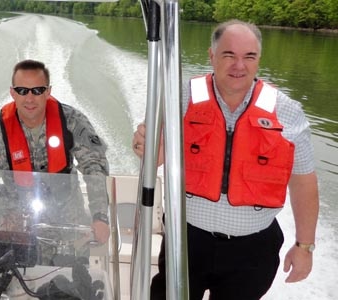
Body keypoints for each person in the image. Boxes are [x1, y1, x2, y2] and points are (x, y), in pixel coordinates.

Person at [132, 20, 319, 300]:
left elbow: (304, 183)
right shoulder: (176, 98)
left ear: (258, 60)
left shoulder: (288, 112)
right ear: (211, 55)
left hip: (252, 251)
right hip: (186, 241)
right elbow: (153, 157)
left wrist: (304, 247)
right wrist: (145, 145)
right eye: (229, 55)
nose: (238, 66)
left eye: (249, 57)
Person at [0, 59, 110, 265]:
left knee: (71, 282)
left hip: (66, 216)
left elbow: (95, 166)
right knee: (9, 279)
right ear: (12, 93)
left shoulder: (72, 122)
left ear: (48, 92)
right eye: (22, 90)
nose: (30, 98)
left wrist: (100, 216)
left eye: (37, 90)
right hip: (18, 218)